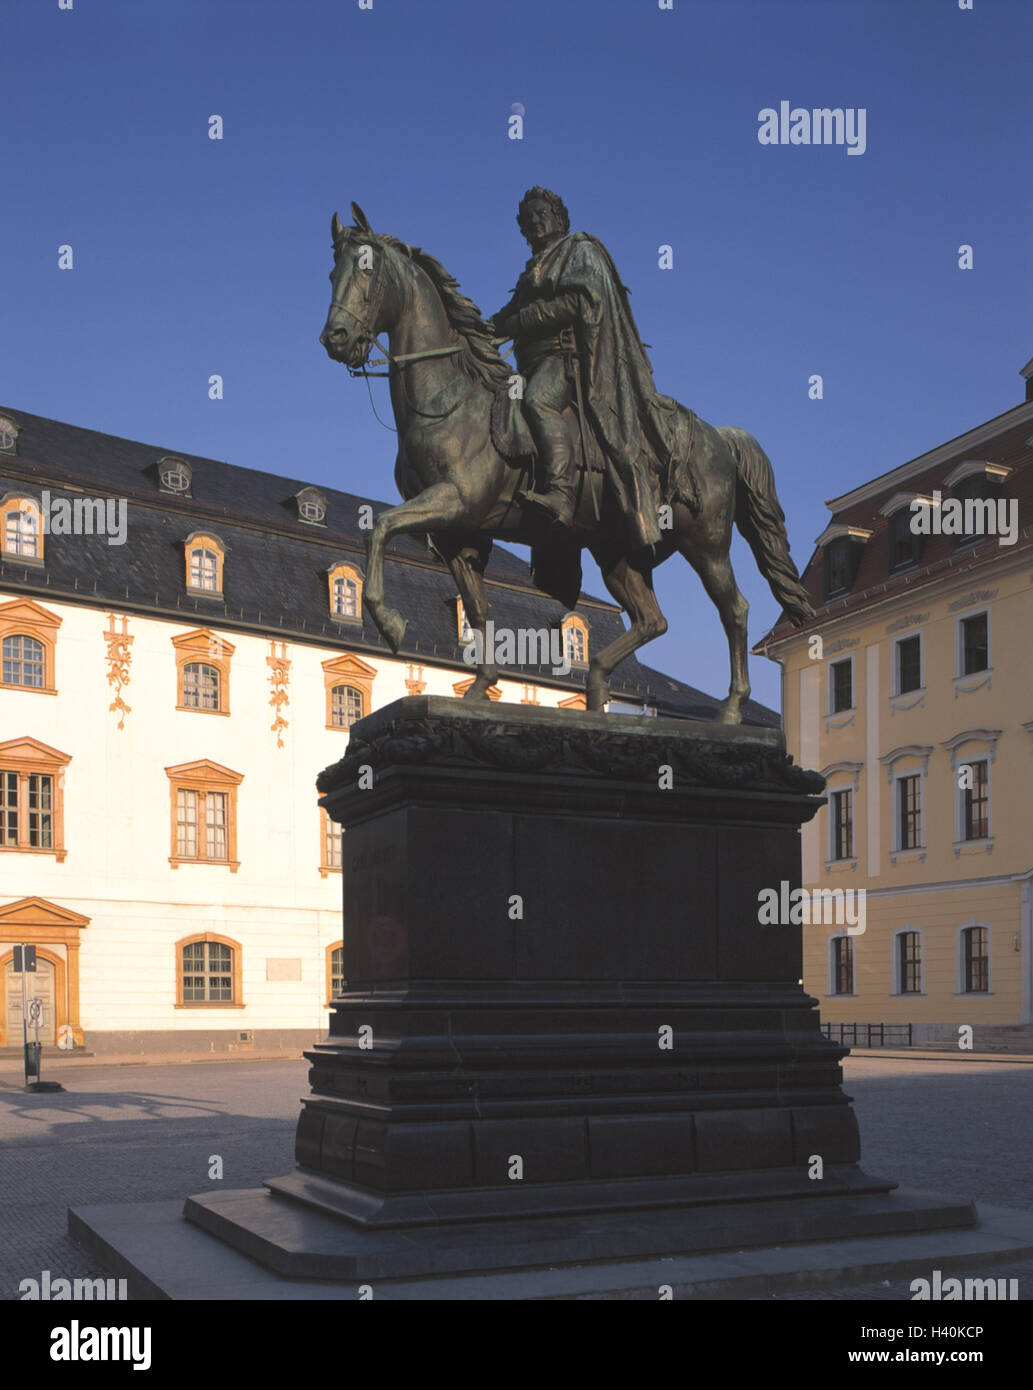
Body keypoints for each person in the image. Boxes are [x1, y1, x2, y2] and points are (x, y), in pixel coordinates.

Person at [489, 187, 674, 552]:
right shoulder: (534, 270)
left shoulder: (579, 251)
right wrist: (481, 329)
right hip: (530, 363)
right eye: (528, 219)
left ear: (560, 218)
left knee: (538, 402)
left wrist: (523, 319)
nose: (535, 222)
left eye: (542, 214)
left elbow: (582, 301)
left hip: (566, 361)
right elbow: (508, 315)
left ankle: (560, 492)